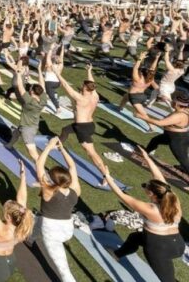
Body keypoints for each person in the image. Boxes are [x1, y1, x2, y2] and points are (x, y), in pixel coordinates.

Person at [103, 148, 184, 282]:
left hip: (159, 249)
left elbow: (121, 195)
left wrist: (107, 176)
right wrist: (147, 158)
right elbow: (159, 178)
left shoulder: (150, 209)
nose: (144, 187)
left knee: (168, 280)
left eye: (146, 186)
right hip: (178, 245)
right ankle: (117, 254)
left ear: (151, 194)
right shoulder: (173, 198)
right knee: (135, 237)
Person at [0, 160, 34, 282]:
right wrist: (23, 176)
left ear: (8, 218)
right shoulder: (23, 226)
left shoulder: (0, 228)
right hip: (10, 260)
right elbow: (22, 199)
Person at [36, 137, 80, 282]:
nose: (46, 176)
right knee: (36, 219)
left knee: (64, 270)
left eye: (49, 176)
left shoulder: (49, 191)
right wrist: (62, 150)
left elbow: (39, 164)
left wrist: (49, 147)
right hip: (67, 228)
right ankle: (30, 238)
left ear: (54, 181)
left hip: (52, 231)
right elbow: (72, 167)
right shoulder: (74, 189)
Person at [55, 63, 108, 177]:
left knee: (91, 153)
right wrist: (89, 70)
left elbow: (65, 85)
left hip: (82, 129)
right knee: (65, 130)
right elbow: (92, 83)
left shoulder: (80, 98)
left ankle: (105, 175)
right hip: (88, 125)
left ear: (84, 88)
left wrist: (57, 73)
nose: (81, 86)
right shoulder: (95, 96)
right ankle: (58, 145)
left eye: (82, 85)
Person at [138, 91, 189, 174]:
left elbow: (160, 123)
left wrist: (142, 117)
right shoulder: (184, 109)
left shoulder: (179, 115)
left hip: (178, 139)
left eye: (173, 101)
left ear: (176, 104)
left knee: (183, 160)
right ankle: (145, 154)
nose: (172, 102)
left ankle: (185, 169)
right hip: (172, 136)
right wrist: (167, 99)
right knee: (155, 140)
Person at [5, 68, 47, 162]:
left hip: (27, 129)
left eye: (30, 89)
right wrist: (40, 70)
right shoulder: (43, 100)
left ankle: (41, 168)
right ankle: (9, 145)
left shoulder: (29, 101)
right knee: (16, 132)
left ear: (32, 92)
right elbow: (42, 85)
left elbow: (20, 87)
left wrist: (19, 75)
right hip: (32, 125)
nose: (29, 89)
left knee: (32, 152)